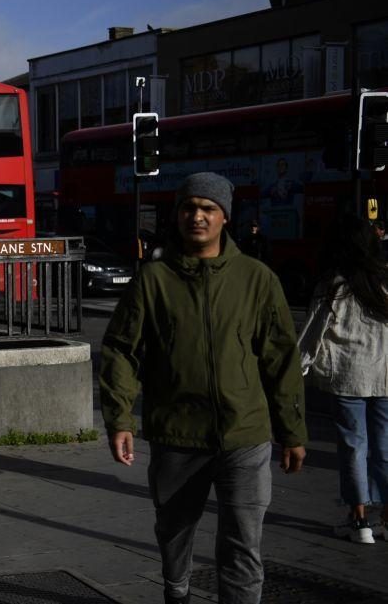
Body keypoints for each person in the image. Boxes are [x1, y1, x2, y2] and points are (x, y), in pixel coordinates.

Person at [100, 172, 307, 604]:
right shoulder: (153, 281)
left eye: (208, 209)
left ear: (224, 217)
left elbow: (281, 359)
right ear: (177, 215)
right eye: (189, 207)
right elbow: (122, 350)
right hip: (178, 433)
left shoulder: (257, 279)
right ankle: (177, 591)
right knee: (174, 531)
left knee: (243, 542)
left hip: (244, 435)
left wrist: (292, 430)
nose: (198, 216)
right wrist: (119, 418)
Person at [298, 213, 388, 544]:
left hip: (350, 377)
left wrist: (297, 370)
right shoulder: (384, 279)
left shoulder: (334, 285)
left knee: (354, 446)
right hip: (386, 376)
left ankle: (359, 520)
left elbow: (312, 335)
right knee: (385, 448)